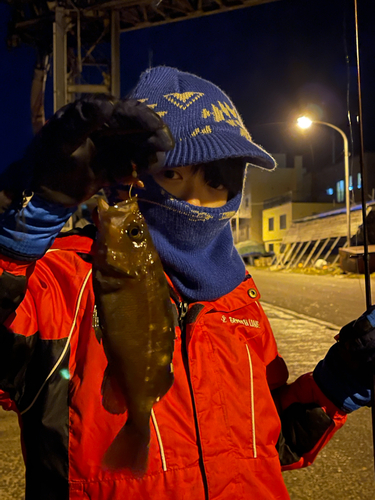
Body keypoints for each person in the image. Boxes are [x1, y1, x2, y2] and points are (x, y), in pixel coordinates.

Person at [0, 66, 374, 500]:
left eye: (217, 179)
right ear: (129, 176)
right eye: (174, 174)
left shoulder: (238, 298)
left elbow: (270, 447)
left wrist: (338, 383)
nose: (198, 199)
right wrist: (16, 239)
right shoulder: (61, 278)